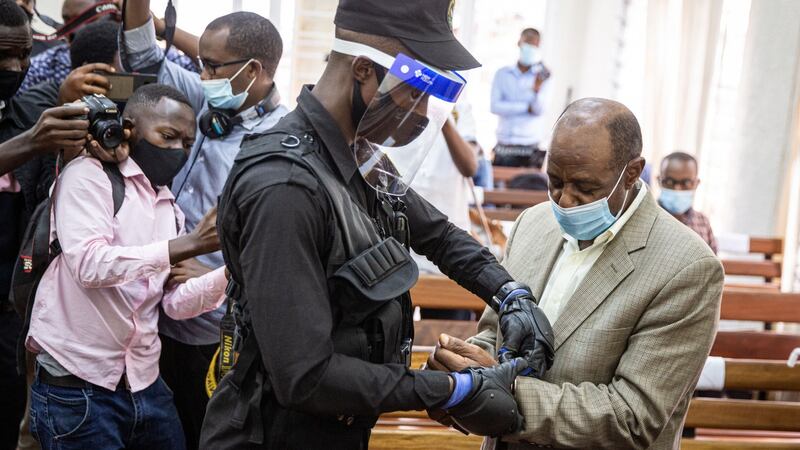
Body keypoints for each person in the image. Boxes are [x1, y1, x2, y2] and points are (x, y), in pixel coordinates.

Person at [199, 1, 557, 448]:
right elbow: (305, 376)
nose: (423, 114)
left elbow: (438, 235)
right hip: (275, 434)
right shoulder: (285, 186)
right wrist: (455, 389)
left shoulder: (360, 154)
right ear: (365, 70)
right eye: (415, 93)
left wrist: (509, 294)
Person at [428, 98, 724, 449]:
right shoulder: (534, 223)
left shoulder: (687, 267)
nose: (565, 201)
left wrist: (502, 392)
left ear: (632, 173)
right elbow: (495, 336)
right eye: (554, 181)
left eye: (585, 188)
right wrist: (459, 371)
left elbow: (631, 416)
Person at [120, 3, 289, 447]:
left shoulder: (281, 140)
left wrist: (219, 276)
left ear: (253, 71)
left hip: (216, 329)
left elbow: (280, 251)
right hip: (154, 316)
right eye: (201, 65)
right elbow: (141, 53)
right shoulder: (201, 102)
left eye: (212, 67)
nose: (203, 76)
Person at [25, 83, 226, 450]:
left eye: (186, 142)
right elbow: (89, 264)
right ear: (129, 129)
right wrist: (190, 244)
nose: (178, 151)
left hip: (146, 383)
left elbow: (173, 304)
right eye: (168, 136)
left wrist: (233, 272)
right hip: (79, 387)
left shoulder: (169, 208)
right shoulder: (89, 177)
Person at [0, 2, 104, 446]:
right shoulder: (30, 129)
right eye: (3, 55)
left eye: (23, 56)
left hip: (8, 299)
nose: (15, 67)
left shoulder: (23, 113)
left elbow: (45, 201)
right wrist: (30, 144)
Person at [17, 0, 198, 94]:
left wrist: (160, 27)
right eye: (67, 20)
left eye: (86, 19)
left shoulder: (151, 59)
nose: (74, 30)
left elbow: (207, 69)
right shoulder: (52, 62)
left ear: (115, 16)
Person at [410, 101, 479, 320]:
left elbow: (469, 166)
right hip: (400, 244)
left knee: (450, 332)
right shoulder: (401, 93)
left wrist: (444, 120)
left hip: (447, 243)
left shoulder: (459, 102)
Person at [490, 28, 551, 168]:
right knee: (498, 187)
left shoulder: (543, 76)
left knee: (527, 187)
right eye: (527, 43)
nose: (530, 48)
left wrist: (536, 89)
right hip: (504, 143)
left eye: (534, 45)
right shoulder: (502, 74)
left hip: (529, 145)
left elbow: (538, 110)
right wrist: (525, 107)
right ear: (519, 43)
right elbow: (495, 106)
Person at [658, 152, 717, 253]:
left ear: (696, 183)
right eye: (670, 182)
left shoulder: (703, 222)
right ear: (659, 181)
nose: (677, 189)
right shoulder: (646, 219)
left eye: (686, 183)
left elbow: (714, 264)